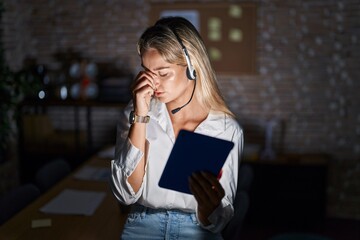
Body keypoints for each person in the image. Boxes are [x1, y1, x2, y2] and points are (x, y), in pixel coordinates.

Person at [110, 16, 243, 239]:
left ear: (192, 67)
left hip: (198, 230)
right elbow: (125, 195)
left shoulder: (226, 128)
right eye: (147, 72)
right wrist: (140, 117)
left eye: (163, 73)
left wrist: (209, 208)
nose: (154, 84)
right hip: (142, 224)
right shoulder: (134, 112)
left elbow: (221, 217)